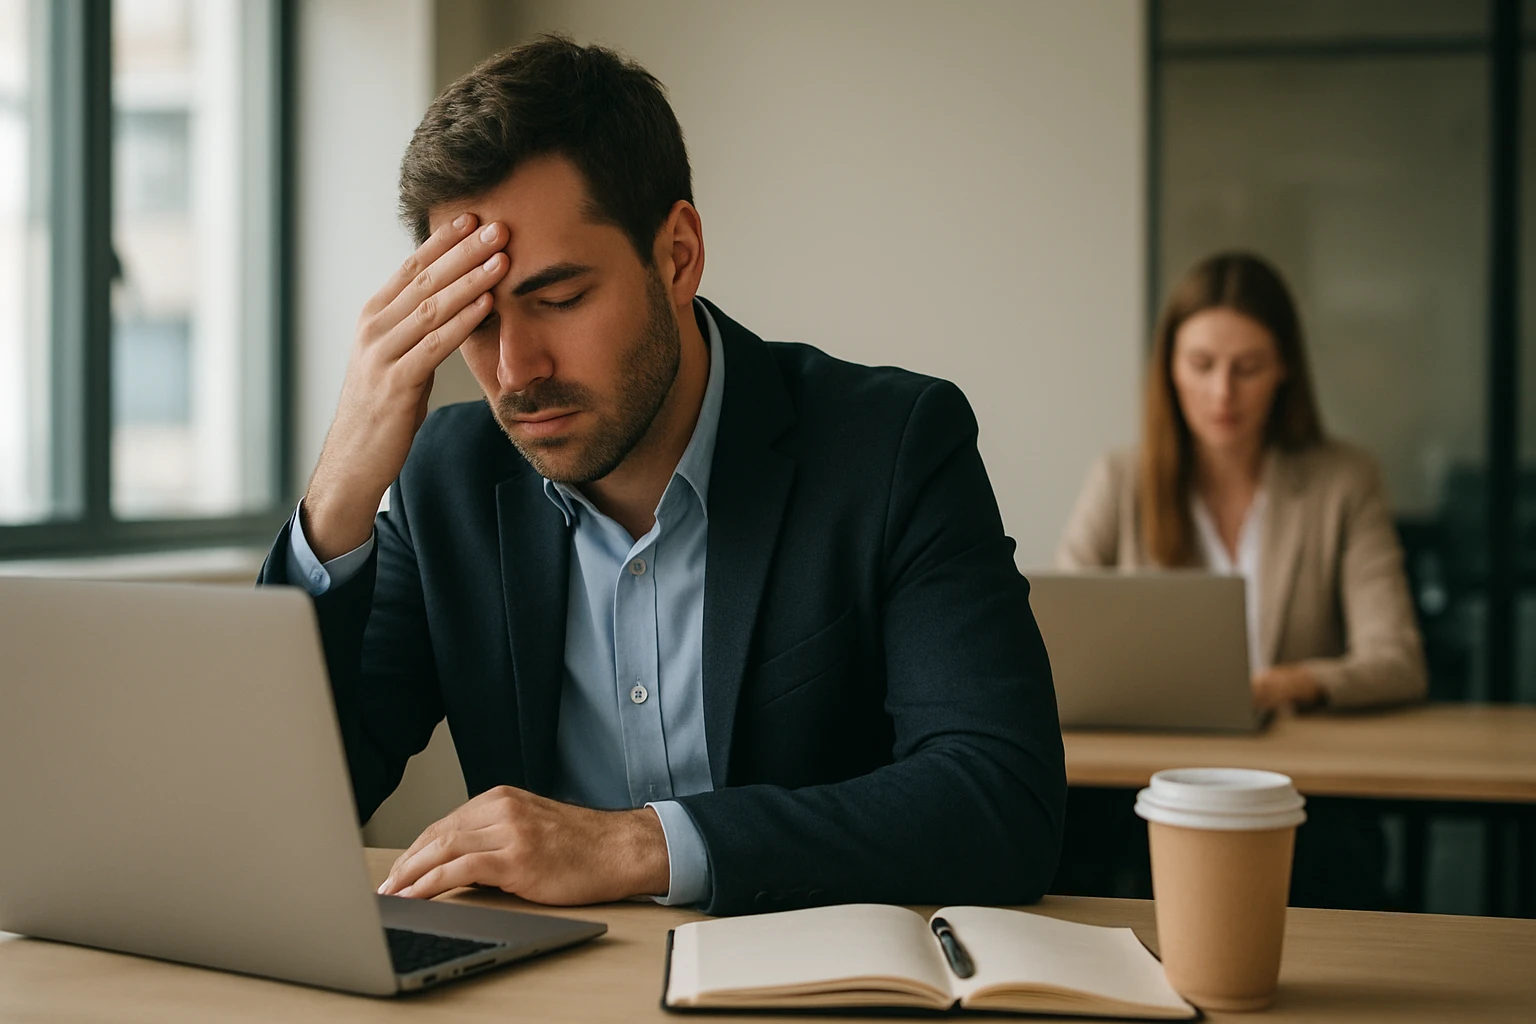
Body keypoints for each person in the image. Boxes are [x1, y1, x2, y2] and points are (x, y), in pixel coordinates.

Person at [257, 37, 1065, 917]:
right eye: (474, 318)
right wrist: (339, 492)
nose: (515, 368)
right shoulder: (441, 482)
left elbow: (999, 800)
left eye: (559, 299)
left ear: (677, 254)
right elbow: (274, 812)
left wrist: (636, 844)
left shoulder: (893, 446)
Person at [1053, 251, 1427, 907]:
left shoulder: (1344, 481)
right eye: (1201, 365)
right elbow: (1054, 645)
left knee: (1334, 863)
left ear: (1284, 368)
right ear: (1169, 366)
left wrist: (1286, 683)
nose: (1223, 393)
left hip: (1297, 786)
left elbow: (1396, 658)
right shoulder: (1121, 480)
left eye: (1247, 368)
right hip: (1144, 782)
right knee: (1061, 845)